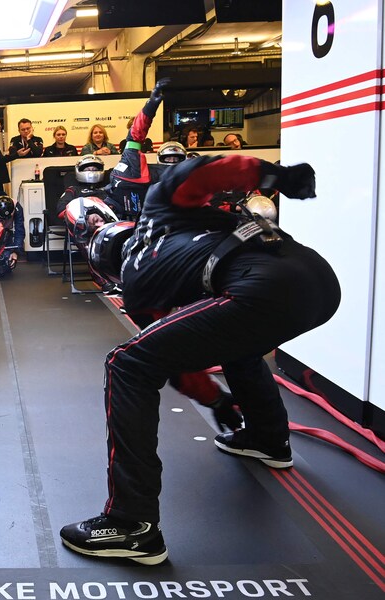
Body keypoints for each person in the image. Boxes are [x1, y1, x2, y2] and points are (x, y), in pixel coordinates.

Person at [60, 153, 340, 565]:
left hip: (262, 287)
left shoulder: (137, 288)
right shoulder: (164, 211)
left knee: (127, 364)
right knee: (233, 336)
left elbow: (173, 362)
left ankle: (131, 523)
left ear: (109, 272)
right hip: (319, 281)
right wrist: (273, 176)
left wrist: (214, 400)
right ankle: (267, 439)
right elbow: (202, 172)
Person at [105, 78, 171, 222]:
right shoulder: (129, 163)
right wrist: (150, 106)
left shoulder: (191, 178)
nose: (172, 162)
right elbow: (136, 134)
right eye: (169, 159)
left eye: (176, 160)